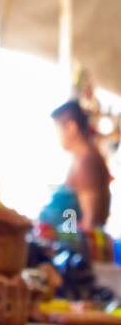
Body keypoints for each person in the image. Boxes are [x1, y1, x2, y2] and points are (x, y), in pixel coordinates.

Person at [51, 99, 112, 231]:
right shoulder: (81, 159)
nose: (57, 137)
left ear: (71, 127)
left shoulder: (87, 162)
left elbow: (91, 223)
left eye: (58, 130)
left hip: (72, 249)